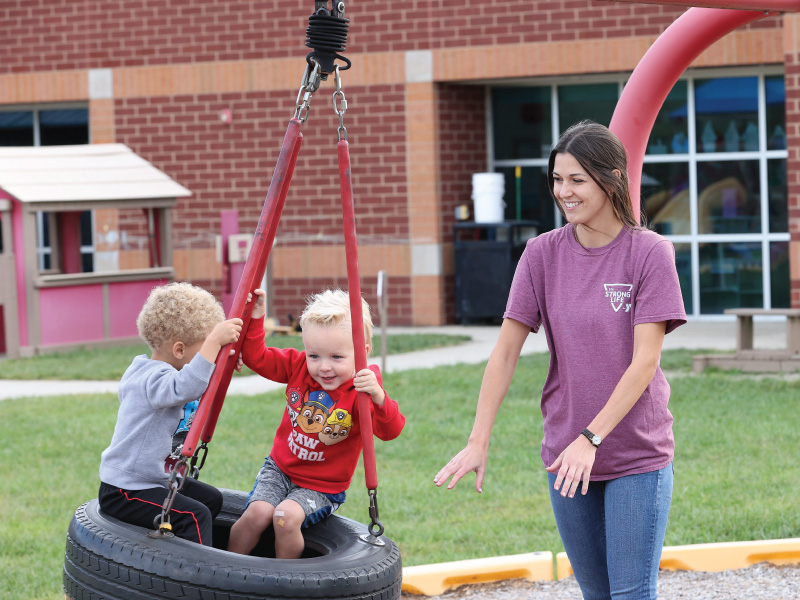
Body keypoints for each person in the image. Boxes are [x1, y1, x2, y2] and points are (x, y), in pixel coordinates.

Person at [434, 120, 687, 599]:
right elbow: (506, 352)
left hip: (636, 455)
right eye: (557, 179)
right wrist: (478, 440)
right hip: (566, 457)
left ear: (611, 178)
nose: (563, 192)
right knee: (596, 594)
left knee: (631, 594)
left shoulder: (649, 253)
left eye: (577, 180)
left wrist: (591, 438)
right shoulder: (540, 255)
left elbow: (644, 362)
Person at [228, 288, 405, 559]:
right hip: (280, 469)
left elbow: (390, 431)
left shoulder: (364, 385)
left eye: (336, 357)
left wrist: (379, 397)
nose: (324, 367)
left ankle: (283, 583)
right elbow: (257, 358)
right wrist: (256, 317)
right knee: (256, 514)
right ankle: (226, 571)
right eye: (314, 356)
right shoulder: (297, 366)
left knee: (285, 518)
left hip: (322, 486)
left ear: (363, 351)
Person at [98, 281, 244, 546]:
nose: (208, 359)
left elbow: (198, 383)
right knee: (194, 515)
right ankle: (204, 577)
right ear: (179, 350)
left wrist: (223, 362)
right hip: (127, 490)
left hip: (156, 480)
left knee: (212, 500)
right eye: (206, 352)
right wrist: (214, 340)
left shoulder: (173, 376)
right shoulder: (150, 379)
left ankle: (182, 552)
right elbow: (186, 386)